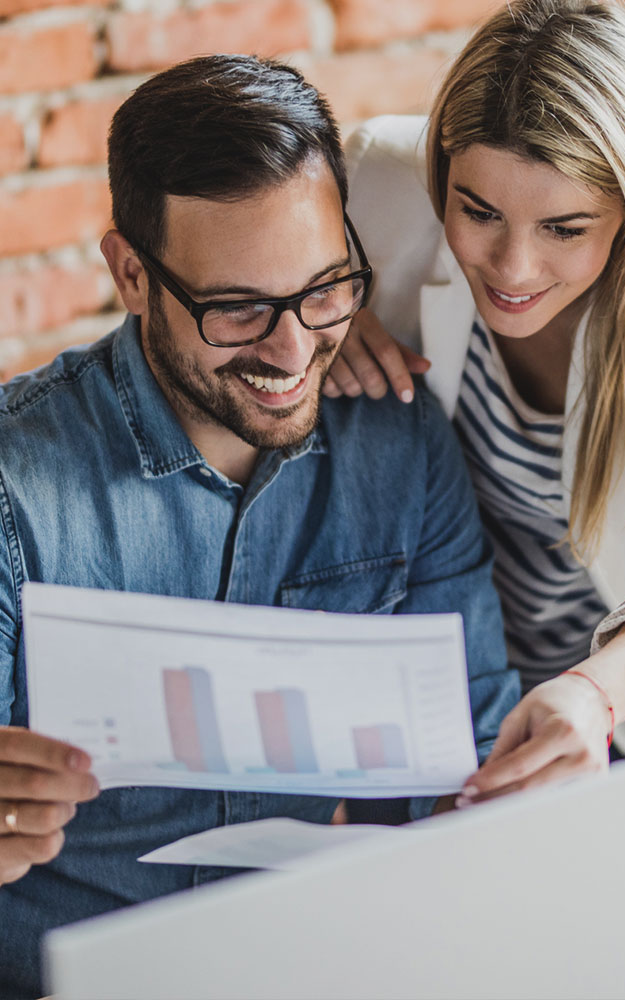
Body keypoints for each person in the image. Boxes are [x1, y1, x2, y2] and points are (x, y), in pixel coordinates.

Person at [0, 55, 519, 999]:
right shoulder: (13, 490)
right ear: (130, 274)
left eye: (325, 288)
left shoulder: (401, 446)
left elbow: (475, 762)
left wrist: (508, 791)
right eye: (237, 308)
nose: (292, 351)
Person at [326, 0, 625, 806]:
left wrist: (595, 695)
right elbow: (229, 300)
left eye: (565, 227)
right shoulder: (381, 181)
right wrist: (315, 324)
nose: (512, 269)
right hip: (443, 666)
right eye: (477, 211)